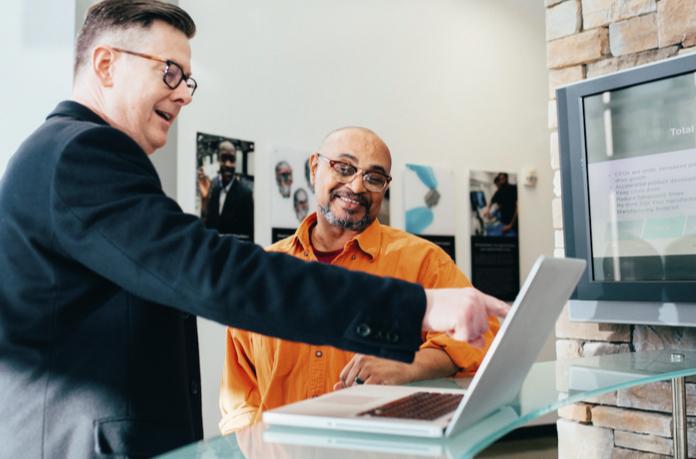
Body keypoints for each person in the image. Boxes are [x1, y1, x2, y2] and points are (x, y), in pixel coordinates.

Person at [0, 1, 508, 457]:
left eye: (187, 79)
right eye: (170, 72)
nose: (183, 95)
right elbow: (214, 273)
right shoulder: (81, 154)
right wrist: (418, 306)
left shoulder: (65, 154)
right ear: (105, 64)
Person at [219, 127, 501, 433]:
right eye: (344, 167)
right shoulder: (265, 271)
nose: (356, 186)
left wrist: (409, 364)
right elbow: (240, 395)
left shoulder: (423, 261)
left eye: (374, 178)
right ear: (315, 167)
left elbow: (484, 335)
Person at [197, 140, 254, 241]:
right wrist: (204, 200)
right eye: (224, 158)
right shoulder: (213, 188)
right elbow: (206, 228)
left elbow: (248, 237)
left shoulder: (245, 194)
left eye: (232, 159)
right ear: (218, 160)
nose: (228, 164)